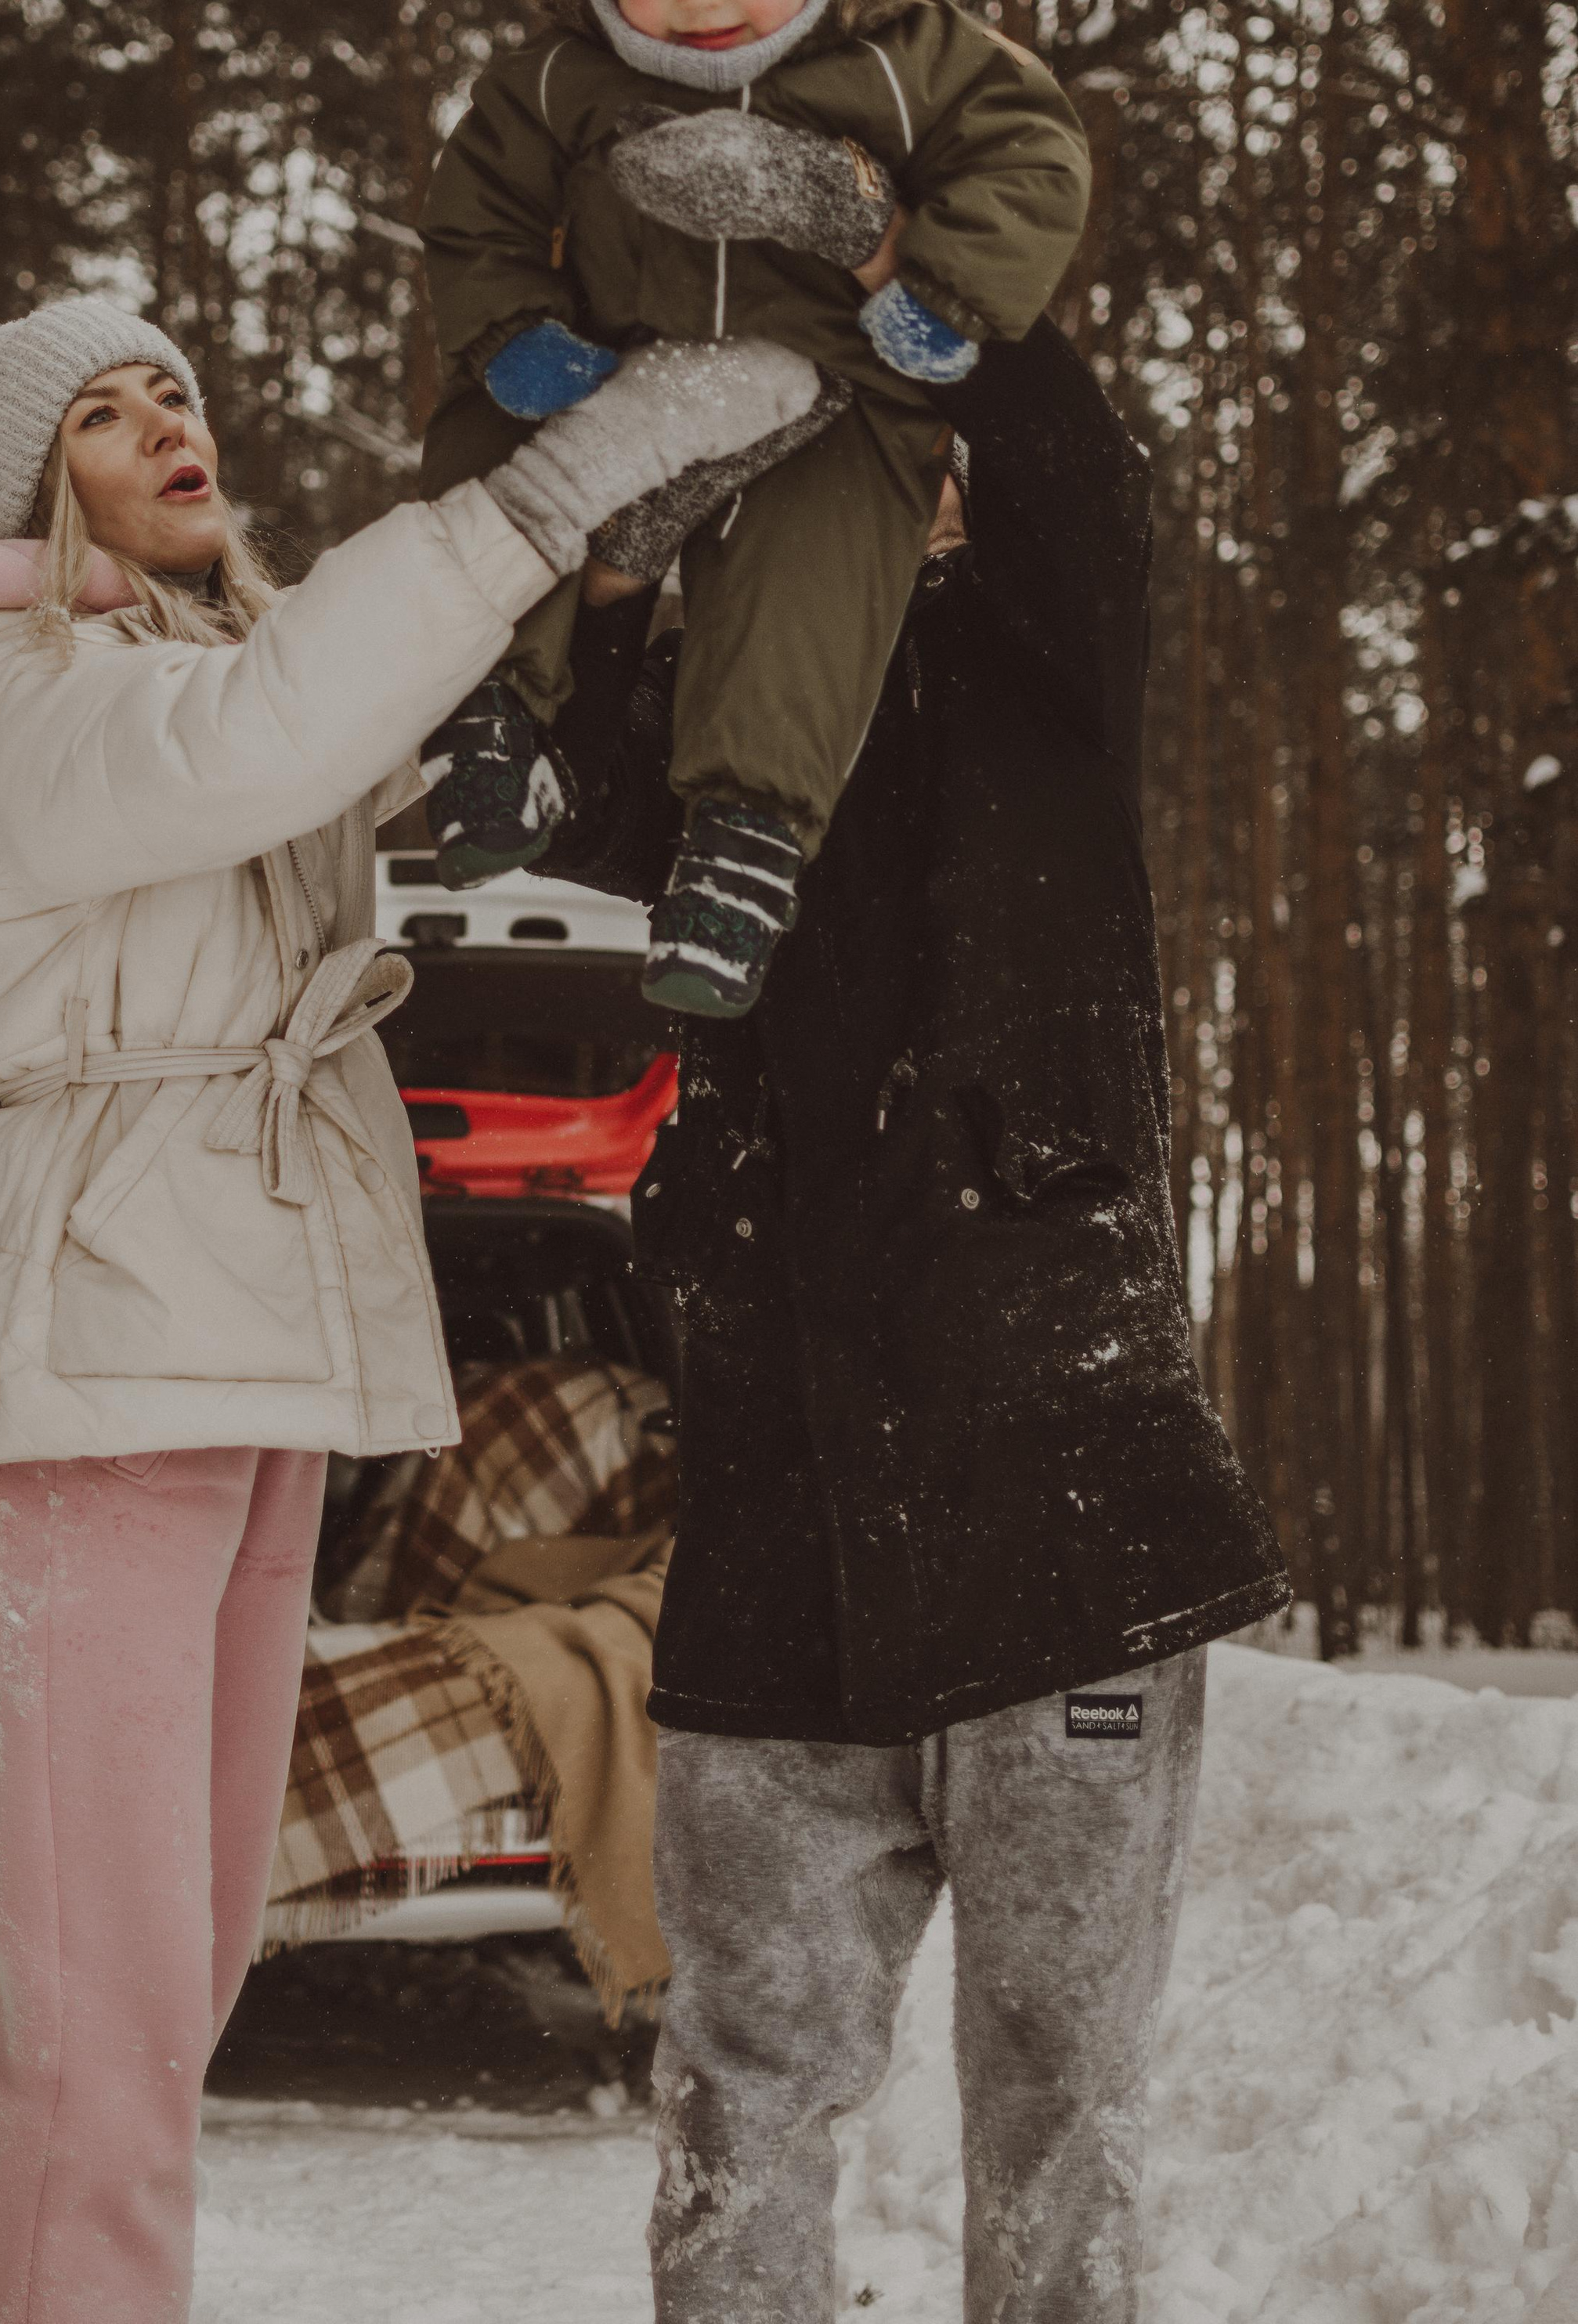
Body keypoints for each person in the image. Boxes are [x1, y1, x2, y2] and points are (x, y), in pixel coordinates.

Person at [0, 290, 820, 2323]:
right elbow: (266, 733)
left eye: (172, 393)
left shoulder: (191, 666)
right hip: (91, 1361)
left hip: (247, 1355)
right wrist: (532, 500)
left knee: (175, 1992)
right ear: (35, 490)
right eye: (104, 421)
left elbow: (344, 720)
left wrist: (632, 552)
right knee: (98, 2030)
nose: (164, 428)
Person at [545, 293, 1291, 2322]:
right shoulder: (719, 727)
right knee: (745, 2089)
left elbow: (1075, 481)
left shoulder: (1040, 664)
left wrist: (923, 289)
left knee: (1063, 2099)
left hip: (1067, 1523)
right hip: (778, 1545)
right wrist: (623, 560)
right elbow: (578, 793)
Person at [414, 0, 1094, 1020]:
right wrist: (517, 334)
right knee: (490, 452)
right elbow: (473, 210)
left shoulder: (907, 58)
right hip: (610, 370)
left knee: (827, 550)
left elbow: (1031, 156)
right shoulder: (558, 78)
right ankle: (491, 721)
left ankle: (745, 840)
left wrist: (936, 284)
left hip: (836, 385)